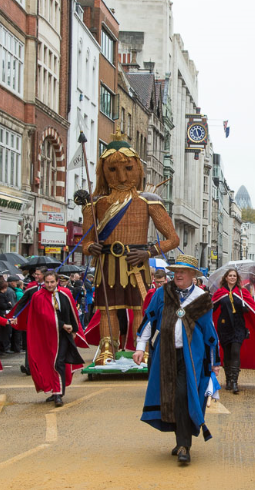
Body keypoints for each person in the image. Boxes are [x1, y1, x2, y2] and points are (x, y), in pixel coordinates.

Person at [82, 132, 180, 365]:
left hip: (137, 262)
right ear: (104, 171)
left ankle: (141, 347)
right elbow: (85, 242)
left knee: (140, 308)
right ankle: (108, 346)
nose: (122, 176)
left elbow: (172, 239)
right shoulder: (94, 204)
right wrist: (90, 248)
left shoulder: (149, 201)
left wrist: (148, 252)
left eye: (128, 168)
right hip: (107, 263)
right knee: (107, 309)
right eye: (114, 170)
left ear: (136, 168)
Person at [132, 255, 220, 464]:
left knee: (184, 395)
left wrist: (214, 362)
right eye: (176, 271)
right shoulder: (163, 294)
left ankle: (184, 446)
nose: (178, 274)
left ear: (192, 275)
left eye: (183, 271)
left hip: (192, 358)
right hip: (165, 354)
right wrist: (139, 347)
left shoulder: (201, 298)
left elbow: (210, 332)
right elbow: (149, 320)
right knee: (170, 396)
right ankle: (181, 438)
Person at [13, 271, 87, 407]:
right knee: (49, 362)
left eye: (52, 282)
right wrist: (62, 325)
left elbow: (72, 312)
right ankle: (55, 390)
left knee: (58, 362)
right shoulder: (38, 296)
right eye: (47, 282)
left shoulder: (65, 294)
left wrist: (75, 330)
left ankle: (58, 393)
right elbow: (43, 317)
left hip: (63, 336)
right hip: (46, 335)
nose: (49, 285)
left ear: (57, 281)